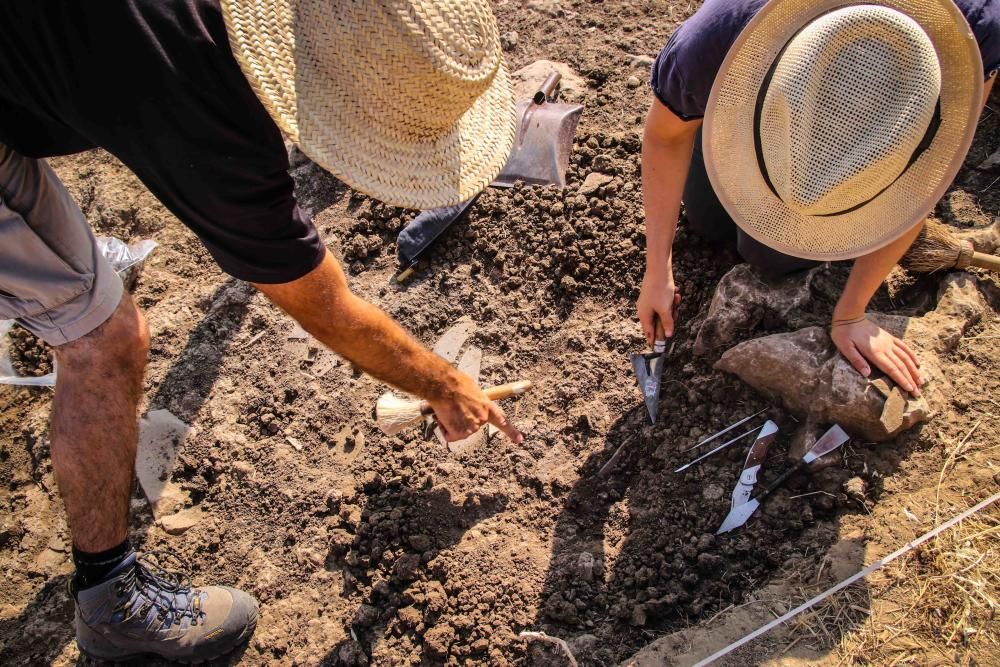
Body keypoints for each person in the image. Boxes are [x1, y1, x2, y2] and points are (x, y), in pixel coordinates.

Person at [0, 0, 520, 662]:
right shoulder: (203, 97)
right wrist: (444, 383)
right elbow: (322, 305)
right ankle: (112, 604)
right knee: (102, 338)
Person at [639, 0, 998, 396]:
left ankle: (810, 198)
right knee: (706, 218)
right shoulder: (715, 39)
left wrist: (851, 312)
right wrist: (657, 268)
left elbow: (926, 175)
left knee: (768, 254)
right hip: (754, 93)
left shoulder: (971, 34)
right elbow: (665, 137)